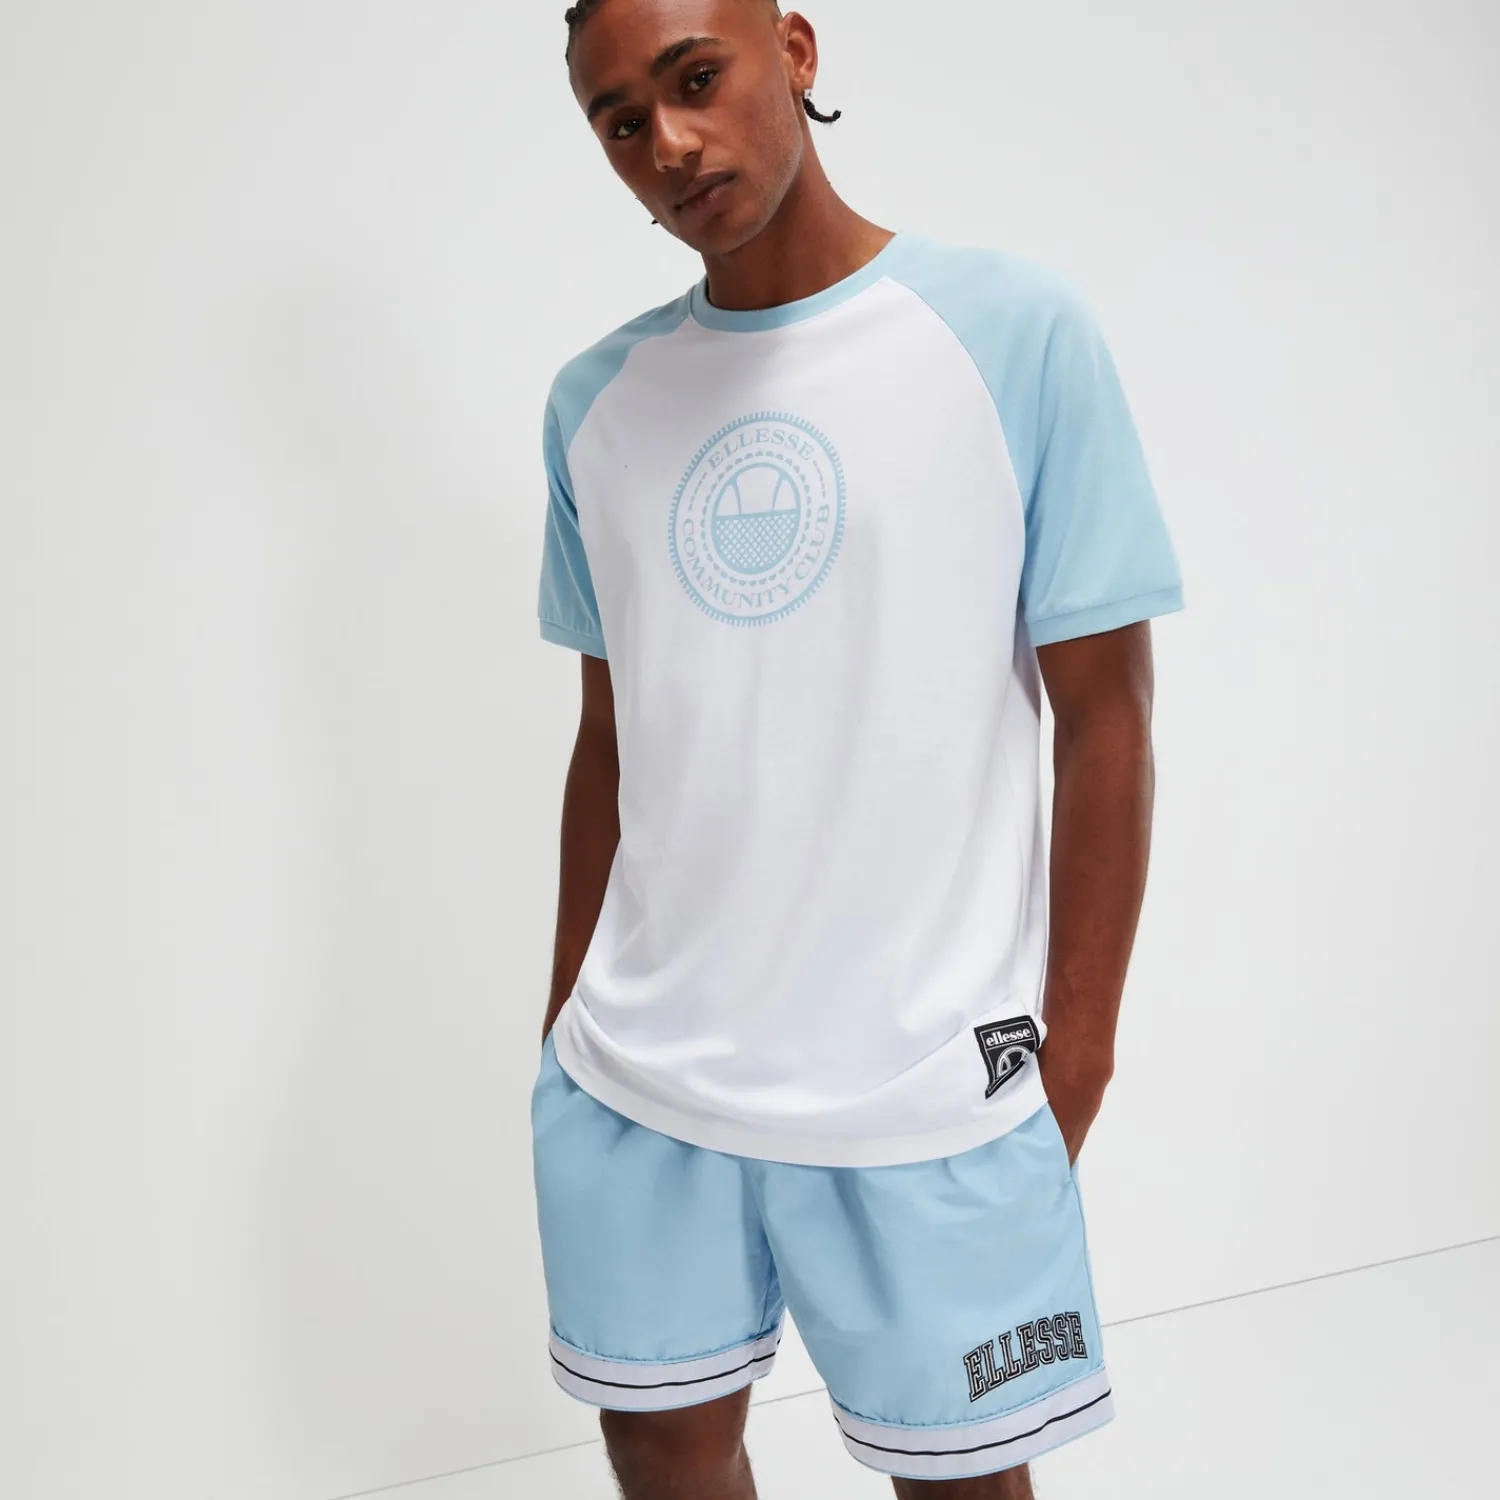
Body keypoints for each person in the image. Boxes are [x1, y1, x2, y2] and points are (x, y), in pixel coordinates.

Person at [530, 2, 1185, 1496]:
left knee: (964, 1481)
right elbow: (610, 736)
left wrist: (1075, 1053)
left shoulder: (1013, 334)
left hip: (923, 1085)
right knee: (664, 1460)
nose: (667, 141)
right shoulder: (594, 405)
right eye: (620, 120)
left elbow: (1107, 717)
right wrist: (562, 1019)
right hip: (639, 1084)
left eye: (697, 79)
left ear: (795, 51)